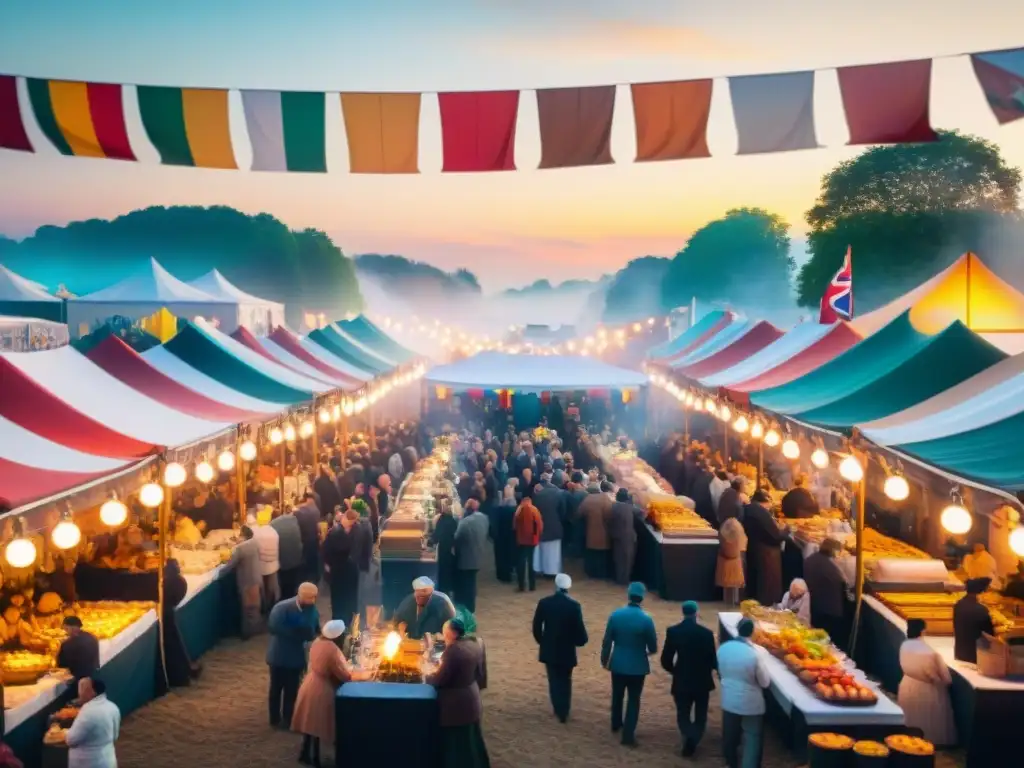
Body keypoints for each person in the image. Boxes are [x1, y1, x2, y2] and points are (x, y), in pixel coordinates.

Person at [291, 620, 372, 766]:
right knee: (317, 725)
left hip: (310, 683)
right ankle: (315, 758)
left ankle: (305, 753)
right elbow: (344, 675)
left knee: (309, 723)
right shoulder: (332, 649)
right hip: (322, 689)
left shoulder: (317, 642)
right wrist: (365, 675)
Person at [426, 618, 490, 768]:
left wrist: (427, 675)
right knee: (471, 739)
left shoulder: (454, 651)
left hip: (456, 706)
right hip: (471, 696)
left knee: (456, 743)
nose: (443, 636)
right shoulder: (475, 642)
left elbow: (440, 680)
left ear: (453, 634)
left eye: (444, 633)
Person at [600, 582, 658, 747]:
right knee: (633, 699)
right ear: (642, 597)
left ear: (629, 595)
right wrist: (647, 652)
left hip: (617, 662)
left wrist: (605, 660)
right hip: (637, 666)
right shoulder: (646, 619)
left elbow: (607, 641)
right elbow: (653, 645)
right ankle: (628, 735)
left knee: (617, 694)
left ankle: (616, 723)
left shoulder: (616, 615)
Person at [661, 601, 718, 757]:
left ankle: (689, 735)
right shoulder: (706, 634)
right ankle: (694, 737)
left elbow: (666, 660)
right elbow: (713, 660)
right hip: (702, 680)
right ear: (696, 613)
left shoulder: (673, 632)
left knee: (682, 714)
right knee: (701, 715)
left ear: (683, 612)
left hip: (682, 679)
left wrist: (675, 671)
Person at [532, 574, 588, 723]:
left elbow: (536, 627)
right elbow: (579, 631)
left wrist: (542, 641)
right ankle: (564, 710)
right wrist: (580, 641)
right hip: (567, 649)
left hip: (549, 647)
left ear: (556, 586)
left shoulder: (544, 603)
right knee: (566, 679)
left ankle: (557, 708)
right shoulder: (574, 606)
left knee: (553, 679)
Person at [266, 583, 320, 728]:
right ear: (300, 596)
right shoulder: (281, 608)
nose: (312, 602)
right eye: (309, 598)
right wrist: (298, 633)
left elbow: (313, 629)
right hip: (279, 655)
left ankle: (289, 719)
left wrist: (311, 634)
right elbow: (274, 627)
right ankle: (274, 719)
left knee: (292, 690)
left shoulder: (311, 610)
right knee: (276, 689)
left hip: (296, 657)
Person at [718, 617, 770, 768]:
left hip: (729, 699)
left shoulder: (724, 648)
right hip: (751, 702)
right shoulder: (757, 653)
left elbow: (721, 671)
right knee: (752, 737)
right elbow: (765, 682)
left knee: (730, 735)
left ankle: (731, 762)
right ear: (752, 632)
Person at [898, 618, 958, 746]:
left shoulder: (904, 646)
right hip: (928, 691)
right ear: (923, 631)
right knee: (927, 723)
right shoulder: (930, 653)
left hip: (907, 686)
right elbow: (946, 679)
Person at [742, 490, 787, 605]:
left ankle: (754, 598)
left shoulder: (749, 509)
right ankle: (767, 601)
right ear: (765, 501)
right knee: (766, 581)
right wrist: (786, 531)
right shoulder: (762, 513)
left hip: (753, 547)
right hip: (766, 551)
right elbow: (775, 535)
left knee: (755, 577)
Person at [65, 677, 120, 768]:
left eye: (83, 689)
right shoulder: (112, 707)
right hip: (108, 760)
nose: (80, 694)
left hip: (88, 763)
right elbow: (115, 736)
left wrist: (65, 732)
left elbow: (71, 740)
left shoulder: (88, 712)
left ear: (92, 692)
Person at [803, 538, 847, 642]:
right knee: (826, 640)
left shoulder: (810, 559)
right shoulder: (831, 568)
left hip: (813, 605)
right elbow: (842, 585)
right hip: (829, 610)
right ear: (834, 551)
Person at [322, 510, 359, 624]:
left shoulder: (335, 532)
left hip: (337, 573)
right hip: (343, 573)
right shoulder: (338, 534)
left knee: (338, 600)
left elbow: (325, 551)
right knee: (344, 600)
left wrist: (327, 566)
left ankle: (339, 622)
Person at [454, 498, 490, 613]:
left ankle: (467, 609)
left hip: (465, 559)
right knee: (471, 583)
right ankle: (471, 608)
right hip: (478, 555)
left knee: (466, 585)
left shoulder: (465, 523)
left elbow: (456, 538)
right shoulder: (484, 518)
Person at [229, 525, 264, 638]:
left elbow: (231, 565)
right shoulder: (255, 543)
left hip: (246, 581)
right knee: (255, 605)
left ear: (243, 535)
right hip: (256, 578)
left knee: (246, 607)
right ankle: (257, 627)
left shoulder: (240, 548)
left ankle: (247, 632)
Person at [953, 577, 995, 663]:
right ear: (981, 592)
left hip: (960, 652)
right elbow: (989, 634)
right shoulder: (981, 609)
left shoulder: (958, 605)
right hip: (975, 655)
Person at [532, 474, 566, 577]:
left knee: (541, 550)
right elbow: (563, 511)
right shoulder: (559, 493)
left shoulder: (536, 495)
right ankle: (552, 572)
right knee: (553, 552)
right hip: (554, 525)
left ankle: (539, 569)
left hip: (540, 526)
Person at [579, 481, 613, 578]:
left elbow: (579, 514)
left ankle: (591, 573)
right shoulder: (605, 498)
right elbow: (609, 516)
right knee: (602, 556)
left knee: (592, 555)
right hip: (604, 533)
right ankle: (602, 574)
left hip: (590, 534)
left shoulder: (587, 499)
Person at [271, 507, 304, 601]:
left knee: (284, 585)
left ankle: (285, 602)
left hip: (284, 561)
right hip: (296, 558)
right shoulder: (293, 520)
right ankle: (293, 599)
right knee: (292, 582)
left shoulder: (273, 525)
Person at [252, 508, 281, 611]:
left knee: (262, 588)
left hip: (260, 565)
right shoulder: (274, 532)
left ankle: (264, 607)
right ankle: (272, 606)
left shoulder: (256, 533)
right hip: (273, 565)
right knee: (272, 588)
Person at [513, 494, 543, 592]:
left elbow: (514, 526)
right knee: (531, 562)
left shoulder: (519, 510)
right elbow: (539, 525)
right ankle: (532, 586)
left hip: (521, 540)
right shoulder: (535, 510)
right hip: (532, 540)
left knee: (521, 562)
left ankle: (521, 585)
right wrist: (536, 535)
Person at [716, 509, 747, 606]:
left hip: (725, 561)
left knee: (727, 587)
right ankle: (735, 602)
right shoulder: (737, 528)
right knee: (735, 586)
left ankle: (727, 602)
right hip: (735, 561)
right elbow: (742, 544)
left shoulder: (725, 528)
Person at [608, 488, 639, 585]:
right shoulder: (629, 507)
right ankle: (625, 580)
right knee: (627, 559)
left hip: (616, 535)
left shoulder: (613, 506)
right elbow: (642, 513)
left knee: (618, 557)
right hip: (627, 537)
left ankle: (619, 578)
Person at [57, 616, 100, 682]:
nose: (65, 631)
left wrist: (59, 649)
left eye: (66, 629)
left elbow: (61, 664)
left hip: (78, 679)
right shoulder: (91, 637)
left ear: (73, 628)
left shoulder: (67, 644)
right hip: (94, 674)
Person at [430, 502, 459, 597]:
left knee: (443, 571)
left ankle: (443, 592)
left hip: (443, 549)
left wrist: (429, 542)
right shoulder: (453, 520)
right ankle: (449, 591)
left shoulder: (442, 520)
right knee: (449, 571)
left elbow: (437, 535)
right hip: (451, 550)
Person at [293, 492, 322, 584]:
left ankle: (306, 579)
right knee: (313, 559)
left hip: (306, 539)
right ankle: (315, 578)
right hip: (313, 537)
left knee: (306, 559)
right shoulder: (314, 511)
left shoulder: (299, 513)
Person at [492, 486, 517, 583]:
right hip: (511, 536)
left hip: (500, 537)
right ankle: (510, 572)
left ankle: (502, 575)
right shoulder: (514, 509)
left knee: (501, 557)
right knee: (509, 555)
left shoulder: (498, 509)